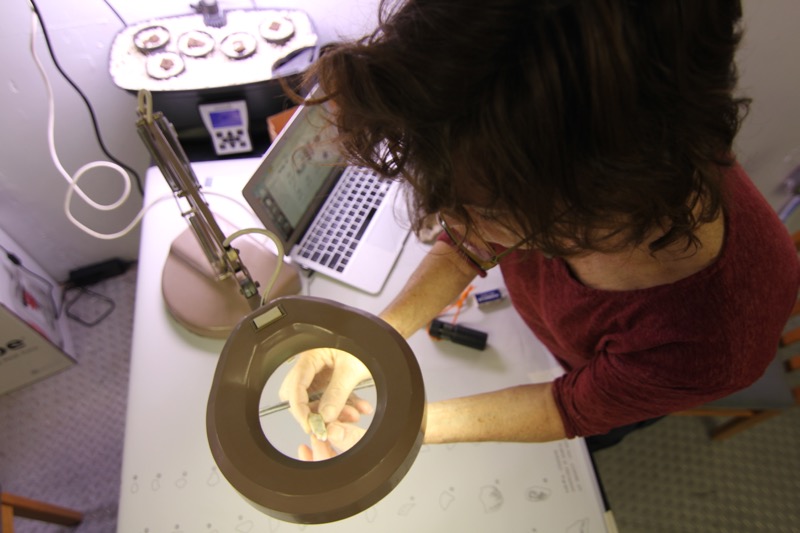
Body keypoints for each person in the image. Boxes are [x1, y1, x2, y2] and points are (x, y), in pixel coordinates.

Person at [278, 0, 800, 460]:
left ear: (587, 208)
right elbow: (472, 242)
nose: (455, 228)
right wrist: (373, 340)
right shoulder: (570, 142)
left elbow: (566, 407)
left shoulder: (714, 343)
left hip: (588, 378)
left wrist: (403, 427)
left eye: (480, 210)